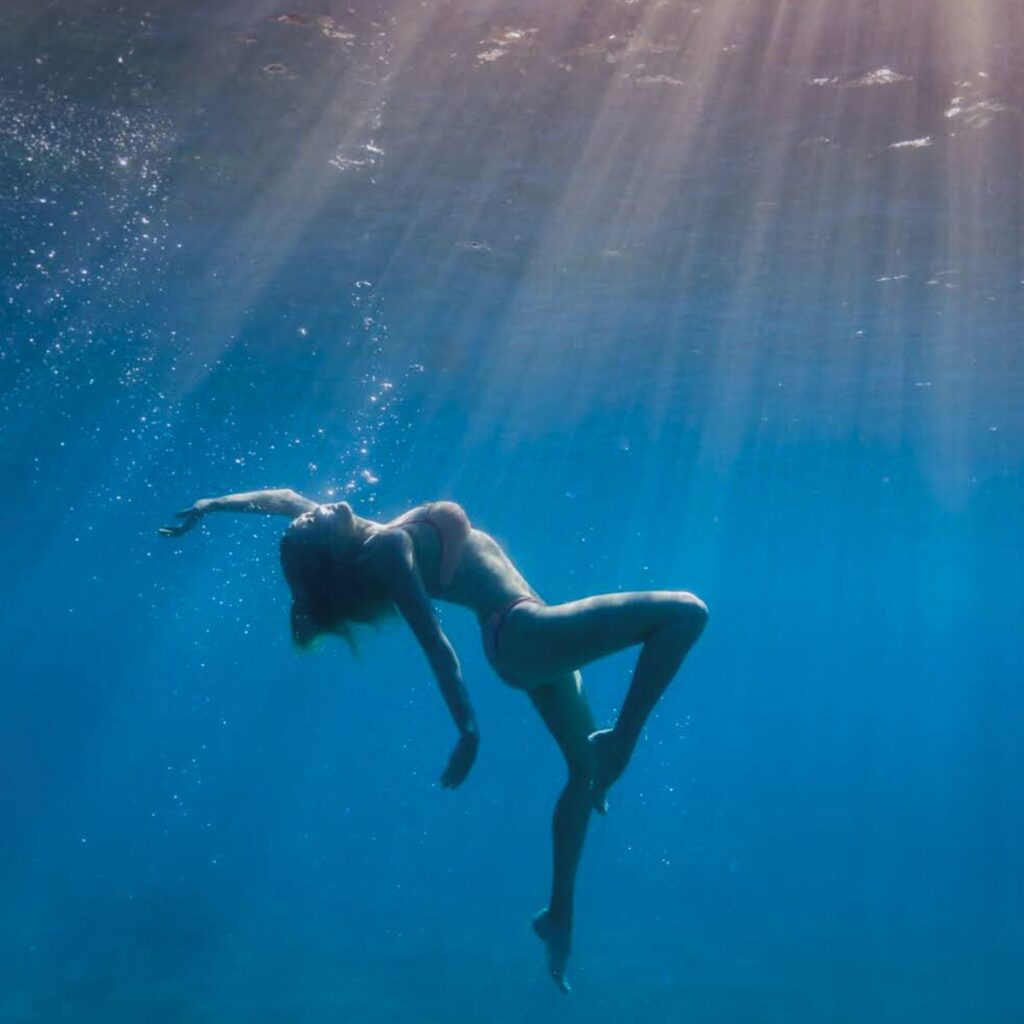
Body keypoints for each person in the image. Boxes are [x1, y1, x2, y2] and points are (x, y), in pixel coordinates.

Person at [159, 490, 707, 991]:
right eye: (308, 523)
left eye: (306, 514)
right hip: (524, 633)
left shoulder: (359, 533)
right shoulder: (387, 545)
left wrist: (212, 505)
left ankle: (558, 914)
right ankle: (622, 741)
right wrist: (467, 729)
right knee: (684, 612)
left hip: (524, 640)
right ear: (330, 548)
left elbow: (281, 498)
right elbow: (436, 644)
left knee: (584, 774)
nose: (310, 510)